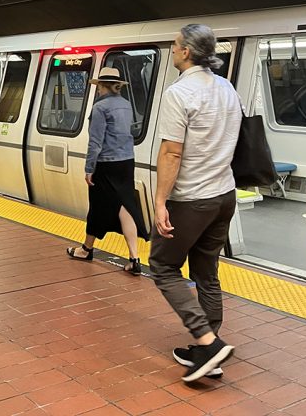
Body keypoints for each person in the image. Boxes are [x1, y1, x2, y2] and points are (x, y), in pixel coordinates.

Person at [150, 24, 242, 383]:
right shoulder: (226, 87)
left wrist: (160, 202)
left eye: (174, 45)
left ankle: (206, 339)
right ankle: (210, 351)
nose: (172, 50)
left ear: (186, 51)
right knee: (206, 271)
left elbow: (172, 152)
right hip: (224, 195)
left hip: (192, 199)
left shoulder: (179, 92)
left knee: (162, 266)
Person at [67, 67, 149, 274]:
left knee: (97, 207)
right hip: (126, 162)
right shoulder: (126, 105)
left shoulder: (100, 108)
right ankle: (135, 258)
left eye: (98, 87)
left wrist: (89, 168)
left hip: (106, 163)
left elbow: (95, 142)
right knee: (125, 206)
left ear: (101, 86)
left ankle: (86, 249)